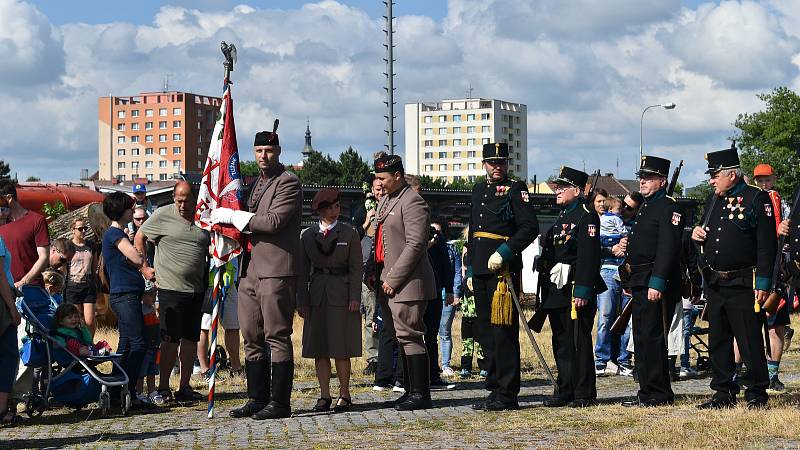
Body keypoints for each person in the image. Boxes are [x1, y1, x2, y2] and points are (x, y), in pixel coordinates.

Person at [212, 122, 303, 420]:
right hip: (249, 269)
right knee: (251, 334)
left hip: (276, 269)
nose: (263, 156)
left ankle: (280, 403)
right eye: (259, 151)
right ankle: (257, 397)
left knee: (276, 335)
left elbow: (273, 221)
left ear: (278, 151)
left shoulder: (288, 182)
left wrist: (234, 216)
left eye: (269, 150)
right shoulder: (254, 184)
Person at [691, 143, 777, 409]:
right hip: (716, 281)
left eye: (715, 174)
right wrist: (696, 233)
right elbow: (706, 230)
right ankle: (722, 391)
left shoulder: (755, 198)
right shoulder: (714, 199)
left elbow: (766, 245)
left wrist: (764, 283)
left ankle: (756, 392)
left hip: (744, 282)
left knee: (749, 339)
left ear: (731, 174)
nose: (711, 179)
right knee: (718, 340)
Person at [467, 142, 539, 411]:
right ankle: (494, 388)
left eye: (501, 162)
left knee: (504, 332)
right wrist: (472, 269)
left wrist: (505, 252)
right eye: (492, 162)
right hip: (482, 270)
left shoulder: (516, 189)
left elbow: (529, 227)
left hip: (502, 272)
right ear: (484, 163)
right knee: (485, 332)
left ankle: (508, 394)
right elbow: (474, 230)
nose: (497, 167)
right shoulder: (478, 190)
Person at [371, 154, 437, 411]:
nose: (380, 183)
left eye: (383, 178)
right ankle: (410, 390)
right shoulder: (387, 200)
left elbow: (415, 245)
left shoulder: (412, 202)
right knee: (401, 337)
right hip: (387, 281)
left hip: (407, 283)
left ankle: (421, 394)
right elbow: (379, 239)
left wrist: (393, 278)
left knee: (411, 335)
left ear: (397, 176)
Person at [135, 181, 210, 403]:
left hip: (196, 289)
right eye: (179, 200)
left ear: (194, 199)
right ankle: (164, 386)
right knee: (169, 340)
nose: (182, 205)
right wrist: (144, 267)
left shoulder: (203, 217)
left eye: (187, 200)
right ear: (173, 197)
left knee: (190, 339)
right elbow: (140, 237)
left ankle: (184, 386)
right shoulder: (162, 214)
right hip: (170, 288)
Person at [620, 155, 683, 408]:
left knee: (653, 337)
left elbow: (668, 247)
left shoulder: (668, 206)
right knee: (642, 337)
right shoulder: (647, 205)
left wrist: (657, 282)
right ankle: (646, 390)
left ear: (662, 180)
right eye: (641, 177)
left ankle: (658, 392)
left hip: (652, 281)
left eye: (648, 177)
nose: (642, 182)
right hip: (639, 279)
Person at [537, 166, 601, 408]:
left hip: (575, 287)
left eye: (562, 187)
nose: (557, 190)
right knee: (561, 341)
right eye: (557, 186)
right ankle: (565, 388)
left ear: (576, 190)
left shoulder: (587, 216)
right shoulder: (562, 216)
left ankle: (584, 392)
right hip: (557, 288)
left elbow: (589, 256)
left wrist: (584, 289)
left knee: (578, 342)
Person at [297, 188, 362, 413]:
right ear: (319, 210)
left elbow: (356, 269)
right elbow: (302, 272)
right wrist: (301, 301)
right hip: (316, 295)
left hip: (342, 295)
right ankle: (324, 395)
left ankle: (345, 394)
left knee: (341, 347)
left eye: (337, 207)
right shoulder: (307, 236)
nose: (335, 212)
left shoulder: (349, 233)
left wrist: (355, 296)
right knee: (320, 348)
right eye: (329, 208)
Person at [0, 179, 50, 410]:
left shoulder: (36, 221)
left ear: (9, 198)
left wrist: (24, 281)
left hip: (28, 292)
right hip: (5, 294)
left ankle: (18, 398)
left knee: (23, 345)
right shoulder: (1, 224)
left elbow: (43, 257)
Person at [101, 191, 151, 410]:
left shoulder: (116, 234)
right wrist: (139, 243)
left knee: (126, 344)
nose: (133, 211)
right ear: (122, 211)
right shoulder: (115, 235)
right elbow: (136, 257)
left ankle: (116, 391)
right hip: (125, 296)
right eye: (130, 208)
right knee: (138, 344)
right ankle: (127, 389)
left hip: (127, 295)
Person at [751, 163, 789, 393]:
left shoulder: (781, 203)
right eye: (760, 180)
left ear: (774, 178)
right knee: (746, 326)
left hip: (778, 270)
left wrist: (787, 229)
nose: (764, 183)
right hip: (756, 269)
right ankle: (740, 371)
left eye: (767, 179)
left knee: (777, 326)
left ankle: (773, 374)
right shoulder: (751, 201)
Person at [595, 196, 633, 377]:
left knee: (625, 318)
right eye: (621, 207)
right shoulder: (605, 222)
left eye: (628, 208)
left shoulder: (632, 225)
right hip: (608, 270)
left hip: (625, 272)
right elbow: (596, 243)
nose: (624, 210)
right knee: (605, 316)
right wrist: (614, 247)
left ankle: (623, 359)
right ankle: (601, 360)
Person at [354, 174, 384, 376]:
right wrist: (366, 221)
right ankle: (373, 358)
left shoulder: (393, 208)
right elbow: (352, 235)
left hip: (388, 271)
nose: (380, 192)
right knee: (370, 318)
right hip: (368, 274)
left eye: (383, 188)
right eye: (377, 189)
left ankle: (390, 355)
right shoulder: (361, 211)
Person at [197, 258, 242, 378]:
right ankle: (204, 369)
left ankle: (236, 367)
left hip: (228, 281)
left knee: (233, 326)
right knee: (204, 327)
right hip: (208, 282)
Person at [425, 221, 455, 389]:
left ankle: (432, 375)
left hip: (435, 290)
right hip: (414, 290)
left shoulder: (439, 239)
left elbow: (446, 264)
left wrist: (449, 290)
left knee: (431, 335)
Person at [0, 204, 22, 424]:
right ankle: (2, 410)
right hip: (2, 303)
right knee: (7, 355)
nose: (4, 214)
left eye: (5, 209)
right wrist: (12, 308)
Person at [458, 227, 487, 379]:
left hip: (480, 293)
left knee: (481, 335)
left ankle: (484, 365)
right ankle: (465, 366)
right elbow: (462, 269)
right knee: (466, 337)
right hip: (467, 296)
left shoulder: (483, 247)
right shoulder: (466, 247)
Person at [64, 219, 98, 334]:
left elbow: (94, 268)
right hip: (73, 286)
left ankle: (90, 345)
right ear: (72, 230)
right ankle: (77, 346)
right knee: (75, 321)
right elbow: (63, 267)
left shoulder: (91, 246)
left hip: (88, 285)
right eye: (80, 229)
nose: (83, 231)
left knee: (90, 321)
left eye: (85, 228)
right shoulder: (68, 246)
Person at [440, 226, 462, 378]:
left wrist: (456, 293)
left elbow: (457, 272)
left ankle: (445, 364)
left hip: (448, 296)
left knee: (445, 332)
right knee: (427, 332)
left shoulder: (452, 249)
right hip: (431, 294)